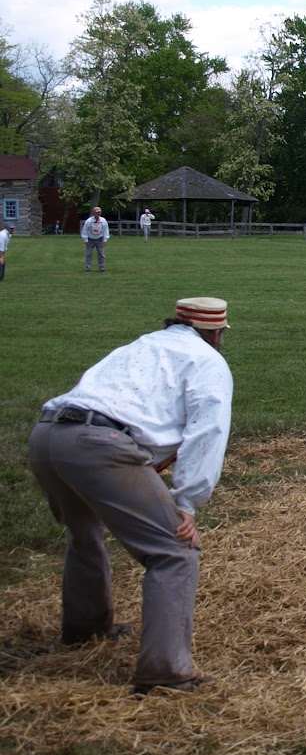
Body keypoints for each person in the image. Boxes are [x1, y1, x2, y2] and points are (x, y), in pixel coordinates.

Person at [28, 297, 233, 694]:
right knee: (174, 551)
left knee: (84, 531)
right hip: (101, 444)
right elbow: (207, 431)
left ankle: (86, 630)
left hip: (47, 435)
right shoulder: (208, 362)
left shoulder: (142, 344)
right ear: (216, 334)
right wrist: (186, 503)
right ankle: (165, 671)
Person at [81, 206, 110, 272]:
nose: (98, 214)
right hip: (90, 240)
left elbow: (106, 230)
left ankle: (102, 268)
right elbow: (84, 230)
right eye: (97, 212)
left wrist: (105, 240)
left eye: (99, 212)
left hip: (100, 239)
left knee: (101, 254)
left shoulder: (103, 220)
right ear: (93, 213)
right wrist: (85, 240)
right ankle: (88, 268)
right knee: (88, 254)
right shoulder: (88, 221)